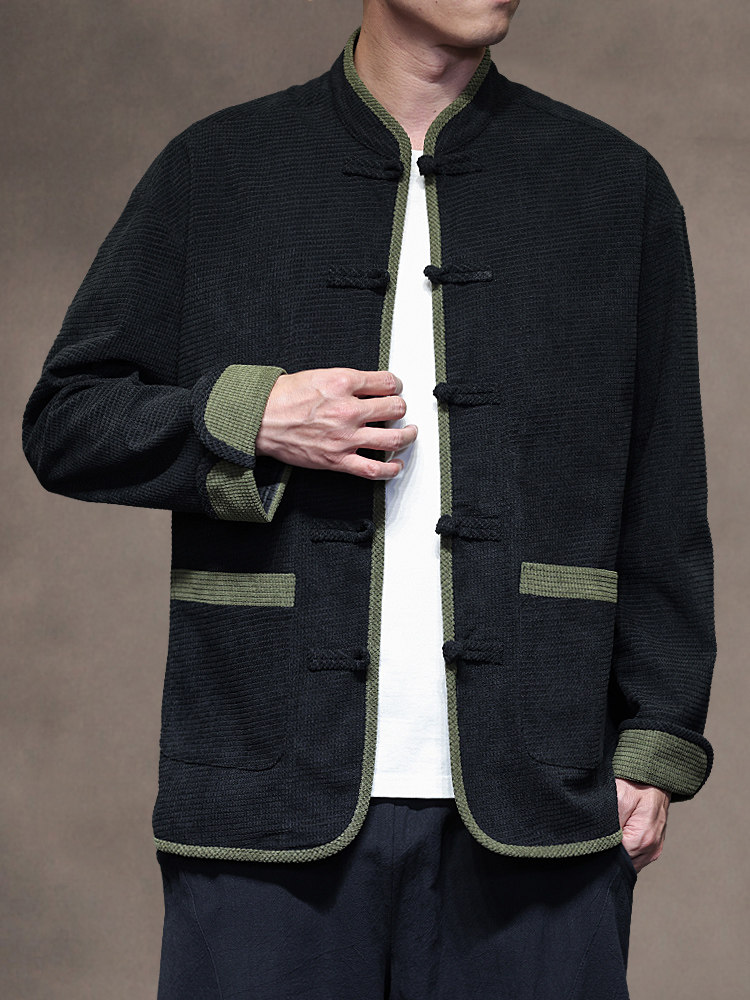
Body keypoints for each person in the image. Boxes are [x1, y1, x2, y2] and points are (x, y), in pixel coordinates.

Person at [21, 1, 717, 997]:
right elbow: (67, 421)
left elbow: (665, 486)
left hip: (540, 800)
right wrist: (253, 415)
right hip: (265, 799)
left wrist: (658, 739)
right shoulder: (219, 169)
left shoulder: (613, 187)